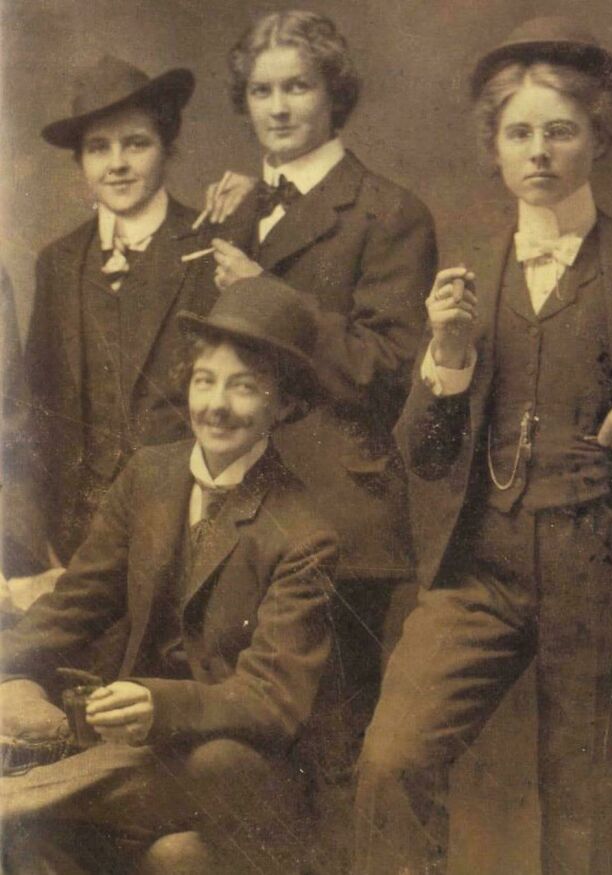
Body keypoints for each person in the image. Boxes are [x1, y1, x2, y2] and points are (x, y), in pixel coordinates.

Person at [354, 17, 612, 875]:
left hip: (608, 566)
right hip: (483, 566)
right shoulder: (465, 263)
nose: (538, 151)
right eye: (518, 133)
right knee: (390, 762)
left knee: (588, 822)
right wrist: (450, 357)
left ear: (598, 138)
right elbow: (427, 457)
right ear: (495, 148)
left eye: (560, 130)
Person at [0, 275, 338, 875]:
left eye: (245, 388)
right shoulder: (149, 476)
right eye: (205, 380)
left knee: (214, 764)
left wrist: (161, 703)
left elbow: (273, 701)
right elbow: (78, 602)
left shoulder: (305, 530)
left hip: (241, 766)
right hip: (136, 759)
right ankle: (33, 812)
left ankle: (19, 803)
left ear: (284, 406)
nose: (216, 405)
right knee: (153, 854)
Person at [198, 9, 438, 805]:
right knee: (240, 765)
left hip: (338, 520)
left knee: (333, 757)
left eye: (297, 85)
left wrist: (267, 297)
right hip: (237, 517)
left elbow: (385, 371)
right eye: (262, 90)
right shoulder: (233, 210)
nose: (278, 106)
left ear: (335, 93)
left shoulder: (387, 211)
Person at [15, 55, 219, 580]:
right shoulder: (59, 262)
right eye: (98, 148)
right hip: (77, 529)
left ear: (168, 146)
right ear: (80, 162)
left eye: (136, 143)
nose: (117, 164)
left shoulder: (210, 247)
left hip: (184, 521)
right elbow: (39, 401)